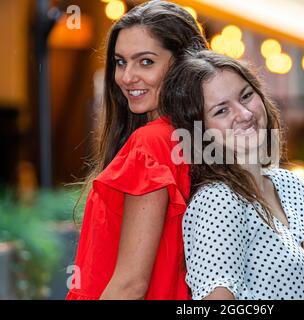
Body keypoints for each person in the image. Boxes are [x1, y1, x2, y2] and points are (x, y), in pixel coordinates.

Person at [159, 50, 304, 300]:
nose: (244, 114)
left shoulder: (289, 184)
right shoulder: (217, 202)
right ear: (200, 131)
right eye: (221, 111)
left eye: (246, 96)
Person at [66, 1, 208, 300]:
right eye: (120, 62)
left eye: (146, 62)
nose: (127, 77)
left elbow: (130, 286)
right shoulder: (191, 140)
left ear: (183, 65)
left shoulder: (151, 143)